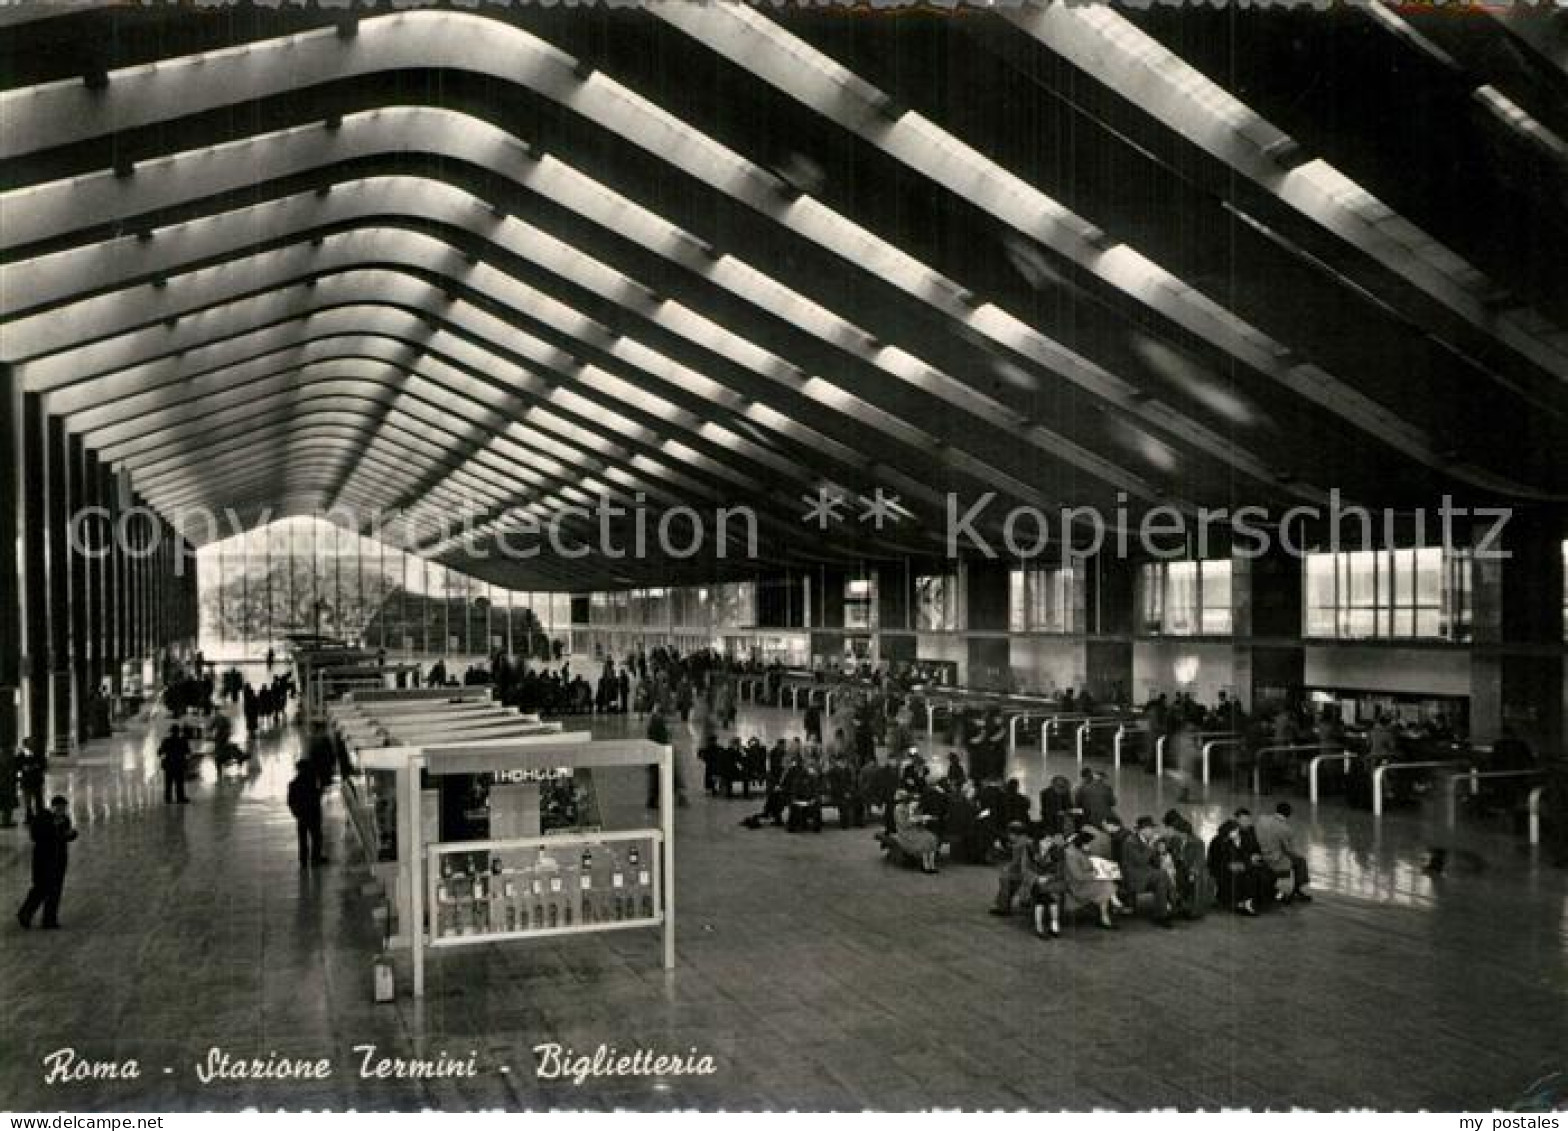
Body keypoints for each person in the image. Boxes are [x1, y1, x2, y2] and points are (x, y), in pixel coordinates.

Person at [17, 795, 77, 930]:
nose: (62, 811)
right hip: (43, 859)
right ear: (53, 807)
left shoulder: (65, 820)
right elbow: (36, 836)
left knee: (54, 890)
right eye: (60, 808)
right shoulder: (42, 818)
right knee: (40, 888)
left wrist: (71, 834)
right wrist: (53, 828)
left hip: (58, 860)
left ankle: (49, 919)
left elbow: (64, 837)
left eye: (64, 808)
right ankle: (25, 914)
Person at [1119, 817, 1176, 928]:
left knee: (1162, 877)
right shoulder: (1130, 842)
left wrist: (1161, 853)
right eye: (1151, 829)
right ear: (1143, 830)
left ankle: (1163, 912)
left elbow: (1154, 861)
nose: (1153, 831)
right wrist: (1150, 846)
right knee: (1162, 875)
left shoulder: (1146, 841)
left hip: (1145, 873)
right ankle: (1170, 905)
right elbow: (1140, 861)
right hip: (1133, 876)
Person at [1253, 802, 1312, 903]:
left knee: (1294, 858)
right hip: (1274, 860)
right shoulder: (1286, 829)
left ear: (1276, 810)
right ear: (1289, 814)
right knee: (1301, 861)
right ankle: (1298, 889)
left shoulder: (1261, 819)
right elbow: (1289, 850)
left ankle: (1292, 889)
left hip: (1259, 855)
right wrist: (1299, 853)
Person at [1062, 830, 1119, 930]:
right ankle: (1109, 910)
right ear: (1081, 843)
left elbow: (1090, 866)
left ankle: (1106, 915)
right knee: (1106, 886)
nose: (1090, 846)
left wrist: (1101, 869)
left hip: (1088, 882)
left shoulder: (1081, 851)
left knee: (1107, 882)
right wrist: (1094, 874)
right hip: (1077, 886)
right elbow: (1078, 876)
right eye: (1088, 844)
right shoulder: (1071, 855)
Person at [1207, 820, 1261, 915]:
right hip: (1221, 869)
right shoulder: (1218, 842)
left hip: (1237, 865)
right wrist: (1236, 863)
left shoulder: (1240, 839)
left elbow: (1246, 853)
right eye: (1234, 831)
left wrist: (1250, 858)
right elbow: (1217, 860)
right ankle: (1244, 903)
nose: (1236, 833)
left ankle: (1246, 902)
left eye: (1237, 831)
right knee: (1246, 875)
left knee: (1253, 872)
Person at [989, 821, 1039, 916]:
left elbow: (1016, 863)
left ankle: (1003, 906)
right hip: (1033, 871)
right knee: (1008, 878)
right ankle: (1004, 904)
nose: (1009, 837)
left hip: (1026, 873)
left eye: (1010, 834)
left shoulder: (1019, 845)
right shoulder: (1027, 841)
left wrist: (1006, 867)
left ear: (1014, 834)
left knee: (1004, 878)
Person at [286, 759, 327, 868]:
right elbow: (317, 796)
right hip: (313, 814)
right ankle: (315, 858)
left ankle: (303, 860)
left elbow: (290, 801)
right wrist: (320, 791)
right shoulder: (311, 782)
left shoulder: (293, 784)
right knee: (316, 837)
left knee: (303, 838)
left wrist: (296, 813)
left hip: (302, 815)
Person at [890, 789, 940, 873]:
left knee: (931, 838)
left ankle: (932, 865)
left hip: (915, 829)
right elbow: (903, 824)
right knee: (924, 840)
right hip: (905, 832)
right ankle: (925, 865)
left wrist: (923, 819)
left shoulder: (910, 807)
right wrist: (917, 820)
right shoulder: (898, 809)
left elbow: (916, 819)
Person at [158, 724, 190, 804]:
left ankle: (168, 798)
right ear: (178, 732)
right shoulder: (183, 741)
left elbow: (159, 752)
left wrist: (164, 755)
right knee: (179, 782)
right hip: (179, 764)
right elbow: (188, 752)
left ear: (171, 732)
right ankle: (180, 797)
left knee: (168, 783)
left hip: (169, 765)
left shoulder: (166, 741)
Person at [17, 740, 47, 820]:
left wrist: (34, 767)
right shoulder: (21, 756)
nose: (32, 746)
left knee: (38, 799)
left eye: (32, 744)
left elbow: (43, 765)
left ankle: (40, 815)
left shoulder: (38, 755)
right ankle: (29, 816)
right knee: (28, 800)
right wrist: (25, 768)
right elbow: (18, 766)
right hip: (26, 781)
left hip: (36, 781)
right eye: (30, 744)